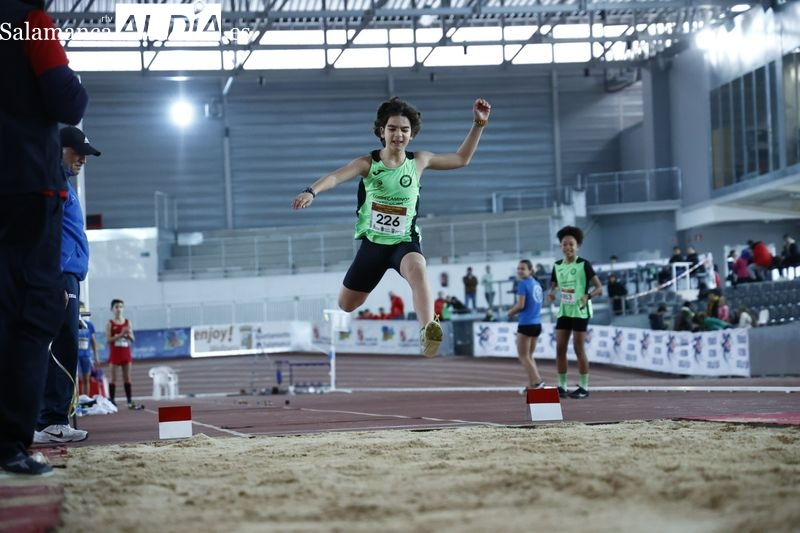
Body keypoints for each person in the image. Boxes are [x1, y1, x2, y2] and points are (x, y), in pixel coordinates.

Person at [291, 96, 492, 356]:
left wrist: (479, 123)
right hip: (373, 246)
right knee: (346, 304)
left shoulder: (419, 161)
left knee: (418, 269)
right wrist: (312, 191)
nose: (398, 134)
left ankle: (428, 329)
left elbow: (461, 159)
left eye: (405, 130)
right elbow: (334, 177)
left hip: (404, 242)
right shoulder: (367, 164)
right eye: (393, 128)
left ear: (412, 134)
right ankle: (423, 324)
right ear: (381, 131)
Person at [0, 0, 88, 477]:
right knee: (34, 316)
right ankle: (11, 443)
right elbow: (65, 98)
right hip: (26, 188)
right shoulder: (25, 23)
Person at [33, 126, 100, 444]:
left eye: (86, 155)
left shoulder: (63, 184)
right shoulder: (54, 182)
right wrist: (56, 276)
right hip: (60, 276)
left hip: (64, 274)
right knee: (62, 346)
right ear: (59, 150)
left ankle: (47, 418)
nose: (83, 159)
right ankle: (52, 420)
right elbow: (49, 232)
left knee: (59, 346)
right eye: (78, 153)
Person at [545, 226, 603, 399]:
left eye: (571, 244)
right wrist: (551, 293)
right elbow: (554, 285)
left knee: (578, 348)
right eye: (564, 244)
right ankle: (562, 385)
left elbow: (599, 288)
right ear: (560, 246)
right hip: (564, 310)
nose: (568, 247)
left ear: (578, 246)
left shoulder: (584, 265)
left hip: (580, 310)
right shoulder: (557, 266)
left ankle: (584, 387)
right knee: (560, 348)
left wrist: (588, 296)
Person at [507, 260, 545, 390]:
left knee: (523, 356)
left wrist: (510, 312)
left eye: (522, 269)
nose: (519, 271)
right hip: (537, 324)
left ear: (530, 270)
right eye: (518, 269)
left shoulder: (523, 284)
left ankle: (538, 381)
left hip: (526, 324)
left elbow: (521, 305)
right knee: (529, 356)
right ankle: (532, 384)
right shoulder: (537, 284)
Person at [106, 299, 140, 409]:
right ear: (112, 309)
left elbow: (133, 339)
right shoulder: (110, 323)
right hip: (115, 353)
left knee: (127, 377)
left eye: (121, 307)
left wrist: (127, 335)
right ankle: (112, 400)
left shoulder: (127, 322)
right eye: (116, 307)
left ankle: (129, 400)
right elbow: (108, 340)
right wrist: (120, 334)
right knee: (113, 378)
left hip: (126, 352)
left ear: (123, 308)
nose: (119, 309)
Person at [77, 312, 99, 397]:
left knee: (86, 378)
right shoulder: (73, 323)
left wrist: (96, 356)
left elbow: (93, 341)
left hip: (86, 356)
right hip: (75, 356)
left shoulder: (89, 325)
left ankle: (85, 398)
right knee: (76, 379)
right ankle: (75, 400)